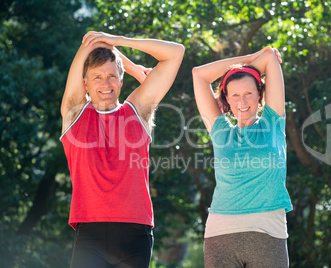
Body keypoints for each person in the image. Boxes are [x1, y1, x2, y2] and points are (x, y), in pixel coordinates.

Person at [60, 31, 184, 267]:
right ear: (85, 83)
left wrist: (119, 42)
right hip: (90, 235)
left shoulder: (137, 111)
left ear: (121, 79)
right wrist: (104, 45)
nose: (105, 83)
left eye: (111, 76)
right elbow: (88, 41)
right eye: (97, 77)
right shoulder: (74, 113)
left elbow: (175, 52)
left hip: (135, 234)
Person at [192, 46, 292, 267]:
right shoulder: (220, 131)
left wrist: (252, 65)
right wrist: (247, 60)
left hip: (269, 232)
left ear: (260, 94)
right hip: (221, 235)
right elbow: (198, 75)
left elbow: (268, 58)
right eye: (235, 94)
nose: (242, 101)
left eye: (248, 93)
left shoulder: (272, 123)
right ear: (226, 98)